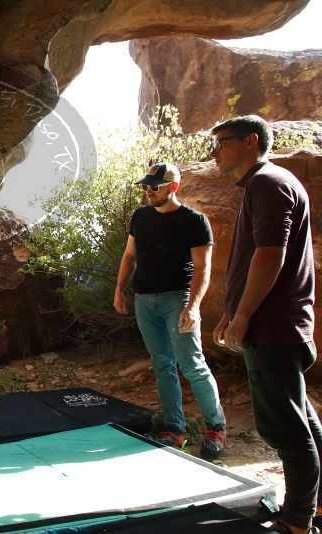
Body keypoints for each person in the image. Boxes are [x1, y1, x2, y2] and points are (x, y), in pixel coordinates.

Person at [210, 115, 321, 534]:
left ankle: (296, 521)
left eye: (221, 142)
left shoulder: (268, 182)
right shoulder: (269, 182)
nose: (214, 151)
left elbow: (270, 254)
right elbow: (260, 254)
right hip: (279, 325)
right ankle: (315, 508)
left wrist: (244, 316)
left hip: (273, 326)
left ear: (250, 141)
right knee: (303, 422)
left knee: (287, 430)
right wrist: (231, 309)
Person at [114, 162, 227, 460]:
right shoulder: (140, 216)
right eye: (145, 186)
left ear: (173, 187)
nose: (148, 191)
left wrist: (194, 306)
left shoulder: (194, 221)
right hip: (144, 300)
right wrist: (119, 290)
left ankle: (216, 428)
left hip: (178, 299)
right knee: (162, 363)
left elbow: (203, 269)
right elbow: (130, 255)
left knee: (192, 364)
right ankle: (174, 428)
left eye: (154, 187)